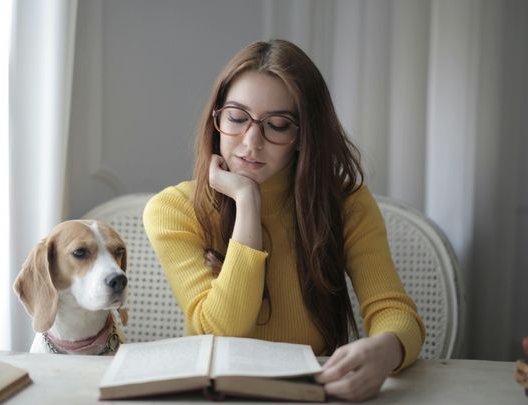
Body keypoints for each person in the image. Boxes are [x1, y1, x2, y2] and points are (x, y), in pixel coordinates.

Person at [143, 39, 425, 401]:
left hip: (312, 393)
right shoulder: (174, 210)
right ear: (217, 119)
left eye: (277, 125)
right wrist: (247, 201)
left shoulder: (346, 204)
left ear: (302, 136)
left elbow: (393, 309)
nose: (251, 141)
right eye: (236, 117)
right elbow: (218, 331)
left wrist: (387, 350)